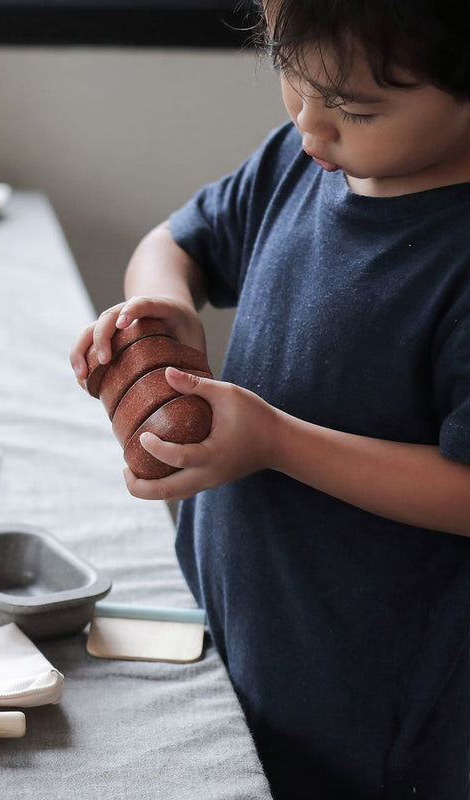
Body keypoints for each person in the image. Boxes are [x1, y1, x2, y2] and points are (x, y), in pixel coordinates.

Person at [70, 1, 470, 797]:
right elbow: (174, 244)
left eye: (355, 108)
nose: (312, 125)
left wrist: (277, 442)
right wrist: (165, 309)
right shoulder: (302, 161)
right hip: (253, 645)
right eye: (294, 80)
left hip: (375, 709)